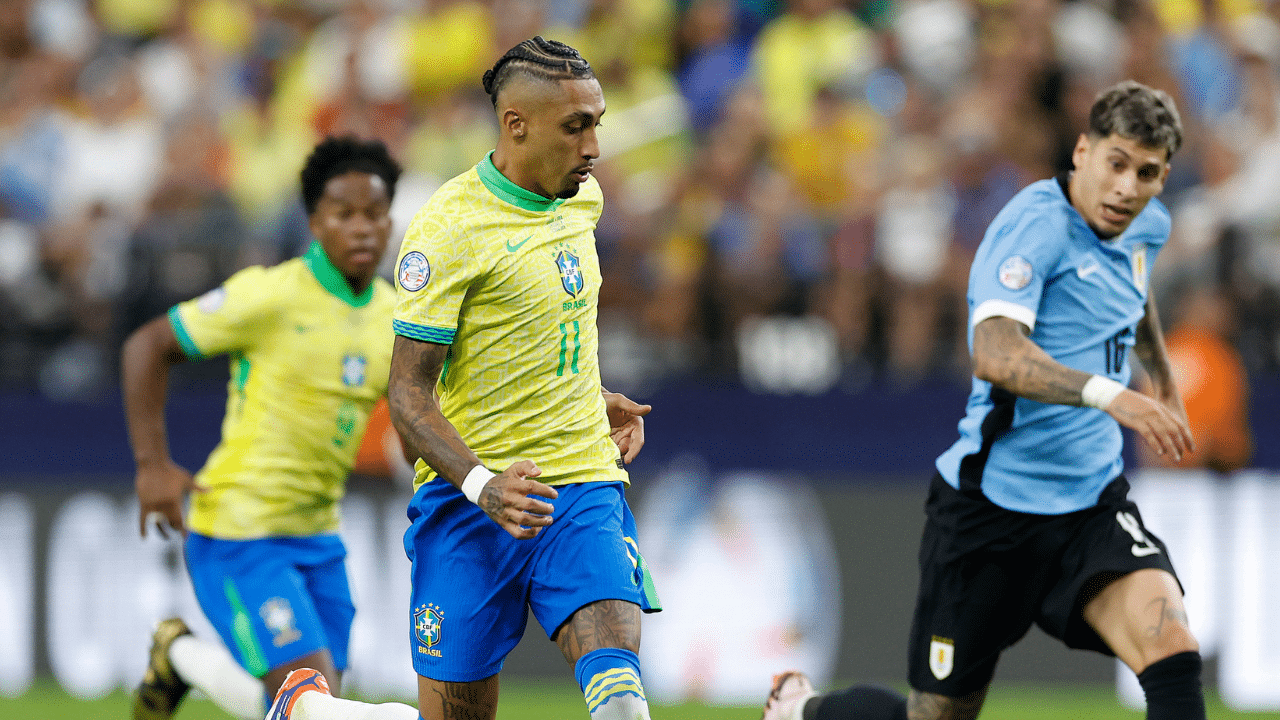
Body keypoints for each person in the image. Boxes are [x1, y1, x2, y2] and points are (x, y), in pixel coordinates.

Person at [763, 80, 1206, 720]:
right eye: (1116, 164)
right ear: (1082, 151)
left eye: (1148, 173)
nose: (1128, 188)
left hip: (1090, 507)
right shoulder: (1033, 226)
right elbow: (997, 354)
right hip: (990, 511)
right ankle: (802, 710)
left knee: (1173, 649)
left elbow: (1130, 299)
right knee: (936, 716)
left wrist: (1160, 380)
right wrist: (1116, 397)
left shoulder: (1146, 227)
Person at [260, 36, 659, 720]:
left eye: (597, 122)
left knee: (620, 697)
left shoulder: (580, 201)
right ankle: (315, 710)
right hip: (468, 506)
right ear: (516, 126)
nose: (594, 145)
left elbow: (534, 333)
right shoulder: (448, 230)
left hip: (582, 486)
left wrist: (591, 398)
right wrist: (483, 486)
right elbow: (408, 394)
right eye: (576, 126)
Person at [123, 136, 405, 720]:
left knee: (294, 706)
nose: (362, 229)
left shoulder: (393, 316)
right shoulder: (271, 295)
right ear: (314, 222)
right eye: (343, 214)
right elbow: (148, 345)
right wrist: (152, 464)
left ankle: (177, 656)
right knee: (311, 701)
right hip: (239, 533)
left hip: (320, 541)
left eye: (374, 214)